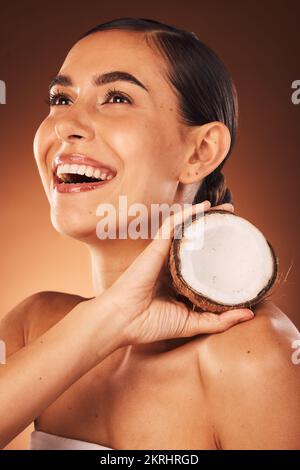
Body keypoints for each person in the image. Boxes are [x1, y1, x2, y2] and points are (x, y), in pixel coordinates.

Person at [0, 18, 299, 450]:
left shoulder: (254, 355)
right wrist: (110, 320)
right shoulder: (35, 326)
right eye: (60, 98)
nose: (65, 124)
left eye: (117, 97)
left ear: (200, 152)